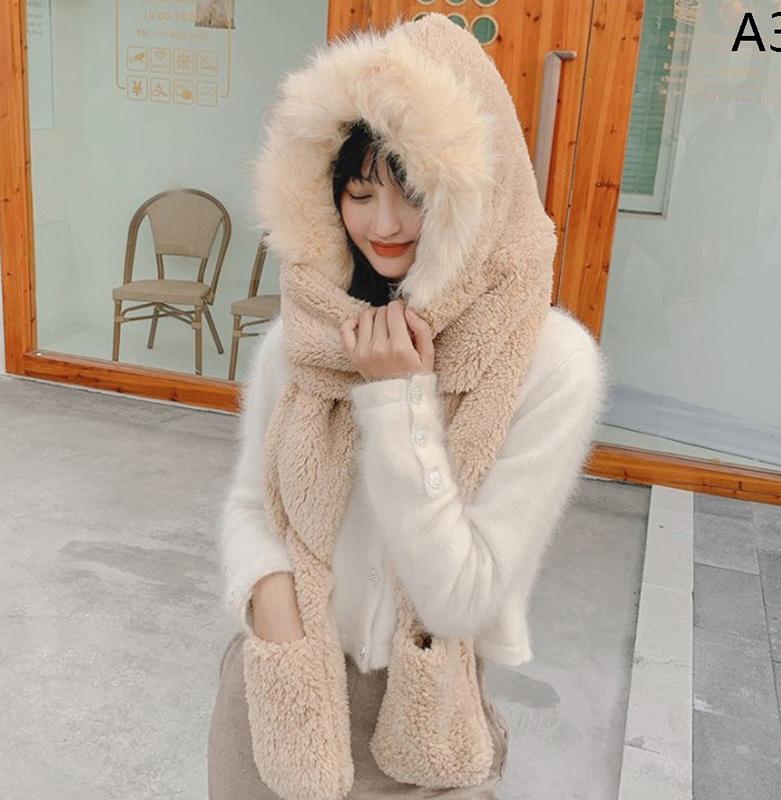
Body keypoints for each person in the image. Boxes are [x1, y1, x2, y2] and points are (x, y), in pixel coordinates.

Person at [208, 13, 609, 800]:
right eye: (359, 193)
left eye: (415, 194)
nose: (383, 225)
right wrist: (270, 596)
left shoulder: (549, 365)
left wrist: (398, 399)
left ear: (476, 194)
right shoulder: (306, 334)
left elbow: (460, 597)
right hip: (278, 688)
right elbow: (250, 503)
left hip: (427, 715)